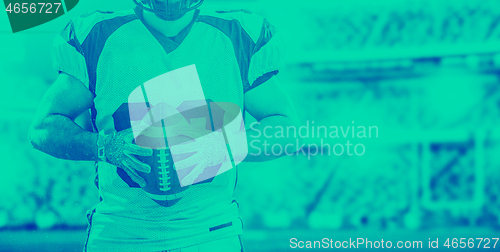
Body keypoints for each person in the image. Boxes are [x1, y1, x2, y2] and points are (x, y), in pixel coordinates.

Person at [29, 0, 300, 251]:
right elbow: (42, 128)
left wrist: (224, 146)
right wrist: (103, 146)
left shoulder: (237, 35)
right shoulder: (98, 35)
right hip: (120, 234)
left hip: (210, 232)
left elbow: (287, 129)